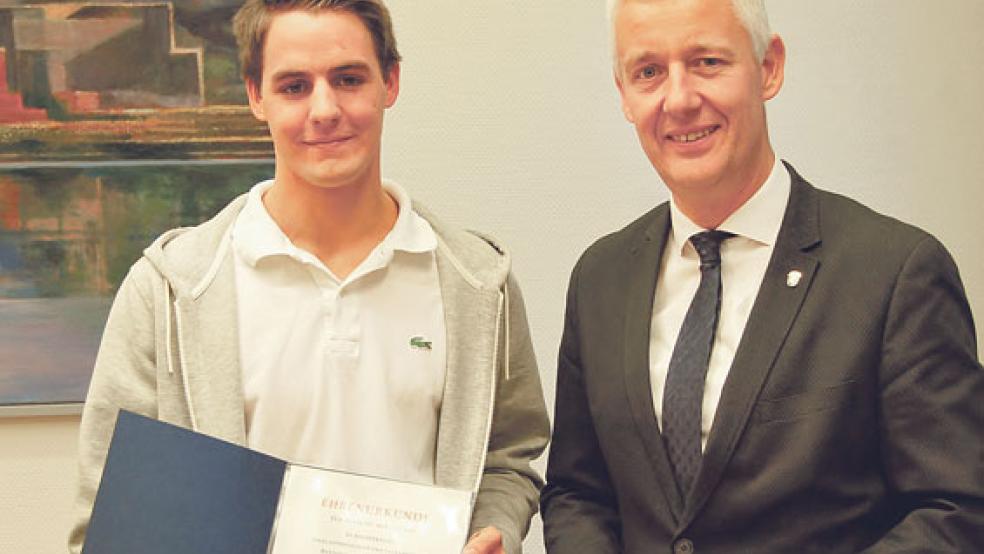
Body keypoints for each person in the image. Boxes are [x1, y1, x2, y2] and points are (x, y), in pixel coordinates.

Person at [68, 1, 549, 552]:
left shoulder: (478, 284)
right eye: (294, 86)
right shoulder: (171, 291)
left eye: (348, 79)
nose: (325, 109)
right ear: (256, 96)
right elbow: (109, 515)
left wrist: (496, 530)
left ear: (390, 81)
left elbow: (508, 457)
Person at [540, 0, 984, 552]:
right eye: (648, 72)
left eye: (706, 62)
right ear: (624, 94)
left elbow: (956, 509)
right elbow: (579, 492)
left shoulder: (896, 274)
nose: (678, 99)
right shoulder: (600, 279)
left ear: (769, 66)